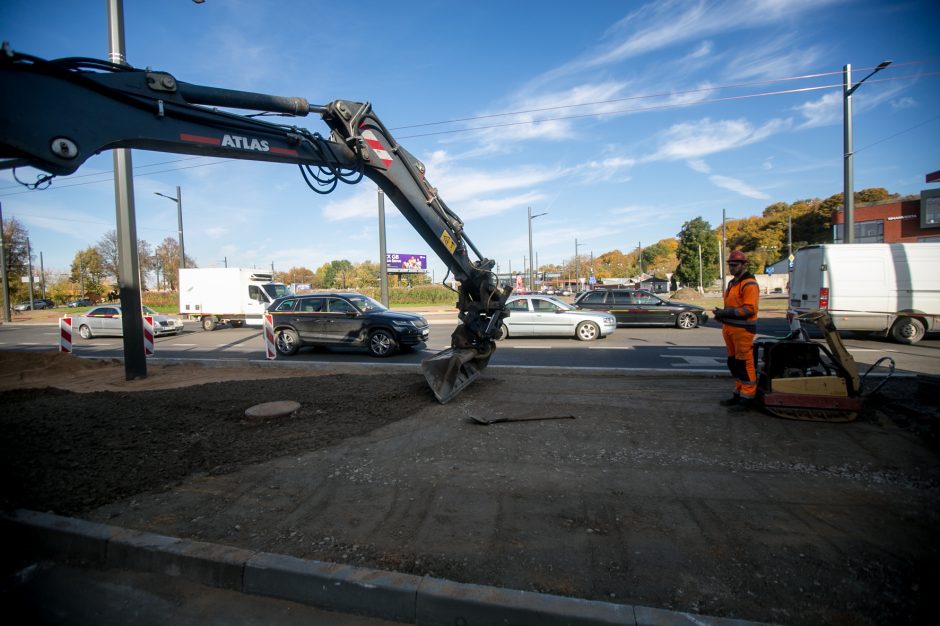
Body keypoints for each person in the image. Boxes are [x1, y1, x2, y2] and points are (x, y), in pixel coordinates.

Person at [713, 250, 760, 411]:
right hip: (730, 328)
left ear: (743, 265)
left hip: (743, 330)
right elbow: (733, 306)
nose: (732, 268)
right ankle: (739, 392)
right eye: (730, 265)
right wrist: (722, 313)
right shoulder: (733, 283)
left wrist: (726, 313)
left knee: (744, 363)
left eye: (735, 265)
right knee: (733, 363)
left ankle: (747, 398)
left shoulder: (749, 284)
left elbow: (750, 309)